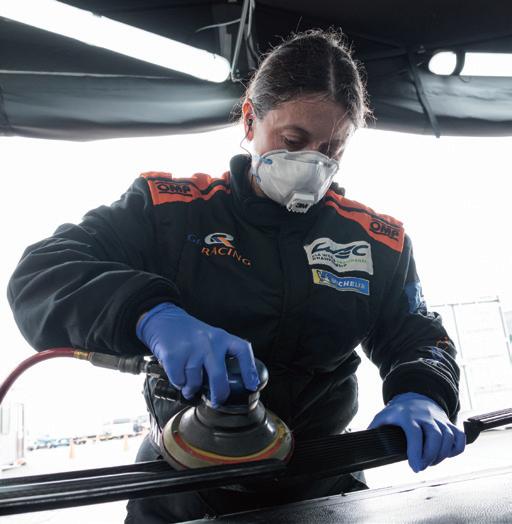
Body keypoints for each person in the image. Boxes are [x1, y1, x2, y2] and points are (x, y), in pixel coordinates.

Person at [7, 29, 465, 523]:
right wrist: (151, 315)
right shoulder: (169, 210)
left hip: (323, 485)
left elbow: (421, 338)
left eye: (332, 148)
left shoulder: (377, 242)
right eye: (294, 140)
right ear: (250, 119)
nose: (313, 162)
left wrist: (424, 392)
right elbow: (41, 273)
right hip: (182, 486)